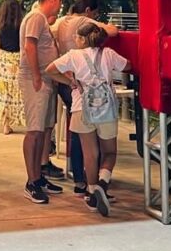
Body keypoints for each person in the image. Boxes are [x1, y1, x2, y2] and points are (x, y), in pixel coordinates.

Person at [47, 21, 129, 217]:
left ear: (83, 39)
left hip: (80, 108)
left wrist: (71, 81)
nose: (75, 39)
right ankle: (103, 183)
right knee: (109, 153)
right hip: (106, 110)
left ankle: (92, 193)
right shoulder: (108, 54)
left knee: (89, 154)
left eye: (77, 36)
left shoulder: (73, 55)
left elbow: (50, 69)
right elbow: (128, 66)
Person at [52, 0, 119, 194]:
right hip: (89, 86)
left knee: (77, 130)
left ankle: (80, 180)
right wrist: (104, 25)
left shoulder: (60, 22)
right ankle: (97, 181)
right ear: (88, 10)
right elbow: (112, 31)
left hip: (70, 80)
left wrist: (69, 80)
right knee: (96, 138)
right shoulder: (84, 22)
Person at [18, 0, 64, 204]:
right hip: (35, 79)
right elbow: (30, 46)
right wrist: (36, 75)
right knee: (35, 130)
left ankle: (38, 176)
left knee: (43, 129)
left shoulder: (41, 18)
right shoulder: (36, 17)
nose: (60, 6)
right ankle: (31, 181)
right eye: (59, 1)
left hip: (45, 78)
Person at [0, 0, 25, 135]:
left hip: (3, 61)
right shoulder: (22, 24)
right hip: (18, 60)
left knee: (4, 95)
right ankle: (21, 119)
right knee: (18, 94)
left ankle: (6, 124)